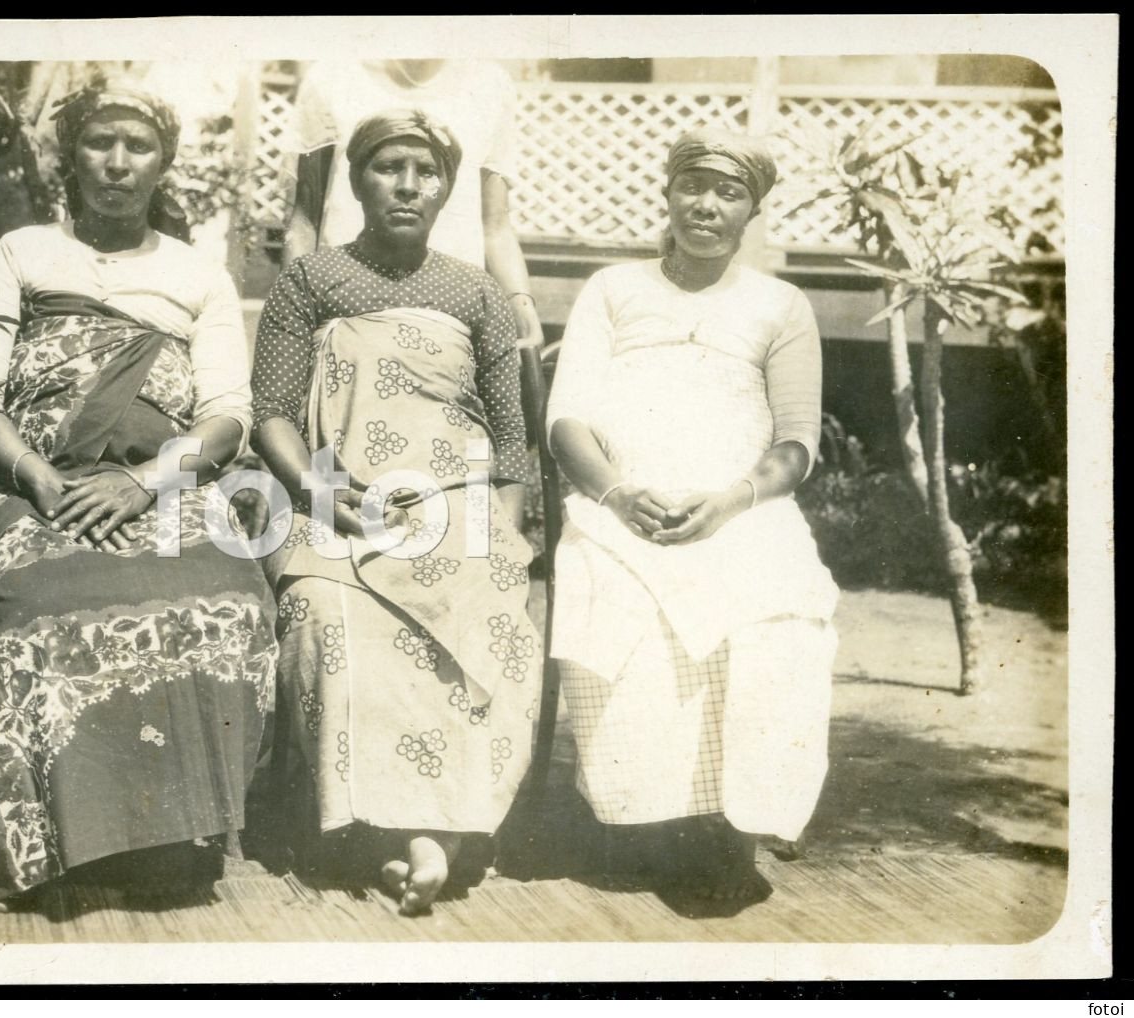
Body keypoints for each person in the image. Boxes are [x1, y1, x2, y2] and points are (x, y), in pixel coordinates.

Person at [0, 82, 280, 907]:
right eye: (99, 143)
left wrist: (141, 483)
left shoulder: (197, 274)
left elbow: (228, 415)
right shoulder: (22, 252)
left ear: (163, 163)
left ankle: (169, 829)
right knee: (30, 599)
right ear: (69, 154)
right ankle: (51, 842)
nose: (117, 164)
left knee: (228, 592)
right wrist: (41, 480)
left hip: (158, 482)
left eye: (137, 147)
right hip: (36, 483)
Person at [252, 110, 540, 916]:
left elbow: (510, 437)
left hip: (457, 505)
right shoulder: (311, 281)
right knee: (325, 614)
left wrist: (505, 529)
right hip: (337, 500)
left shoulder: (474, 290)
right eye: (388, 168)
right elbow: (270, 409)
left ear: (447, 187)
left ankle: (439, 833)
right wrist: (313, 490)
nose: (408, 185)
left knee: (494, 614)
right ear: (356, 181)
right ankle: (389, 832)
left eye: (427, 170)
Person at [544, 128, 840, 905]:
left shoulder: (780, 303)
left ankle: (735, 820)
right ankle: (647, 820)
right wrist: (614, 493)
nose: (706, 205)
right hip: (621, 504)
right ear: (668, 193)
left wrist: (730, 500)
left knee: (782, 614)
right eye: (692, 186)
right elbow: (566, 419)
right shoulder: (612, 288)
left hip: (738, 506)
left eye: (728, 192)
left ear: (751, 212)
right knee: (620, 600)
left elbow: (796, 442)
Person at [283, 59, 545, 351]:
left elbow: (495, 226)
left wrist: (521, 303)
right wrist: (291, 311)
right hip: (345, 313)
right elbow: (305, 219)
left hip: (452, 319)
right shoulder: (331, 78)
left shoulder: (490, 85)